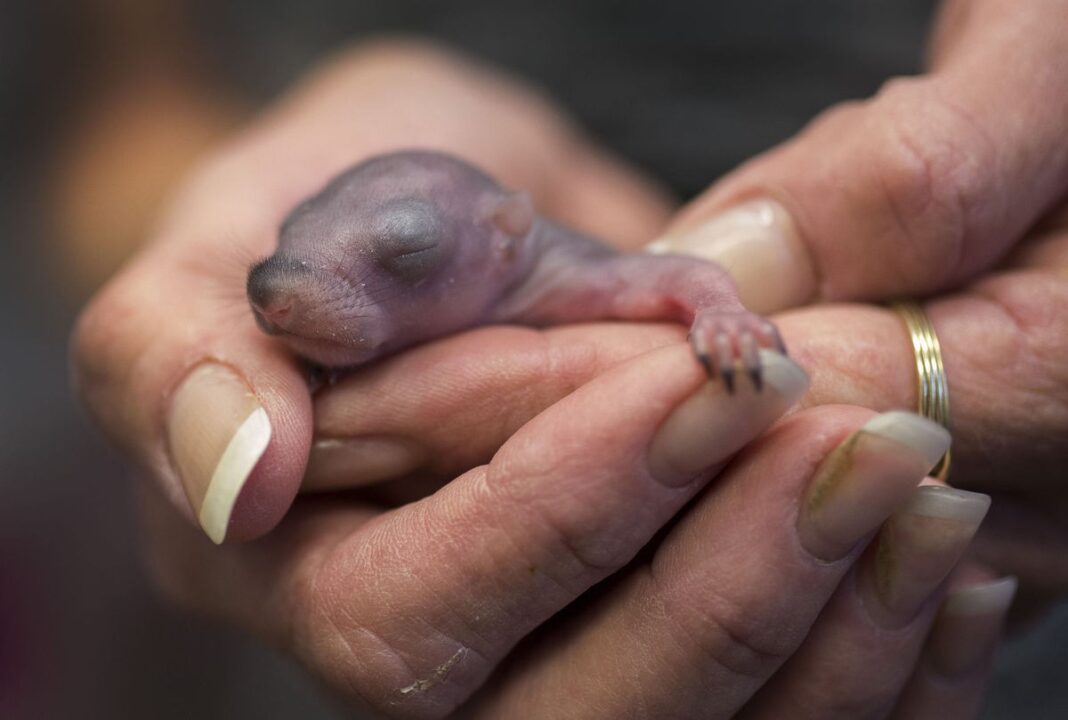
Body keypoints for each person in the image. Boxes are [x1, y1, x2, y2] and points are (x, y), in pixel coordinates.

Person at [71, 0, 1068, 715]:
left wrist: (725, 313)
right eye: (293, 245)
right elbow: (124, 113)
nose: (282, 293)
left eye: (403, 257)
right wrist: (180, 350)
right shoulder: (412, 297)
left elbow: (683, 281)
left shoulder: (566, 278)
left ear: (505, 238)